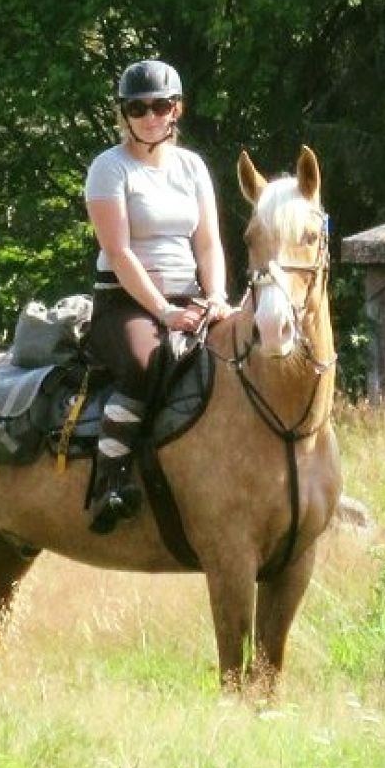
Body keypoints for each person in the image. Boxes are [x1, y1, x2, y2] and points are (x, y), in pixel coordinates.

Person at [82, 57, 227, 529]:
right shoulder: (109, 168)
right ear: (124, 114)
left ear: (176, 110)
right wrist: (164, 312)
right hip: (124, 302)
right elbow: (118, 251)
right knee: (146, 363)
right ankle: (110, 484)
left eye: (160, 106)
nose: (149, 116)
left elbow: (208, 243)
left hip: (190, 298)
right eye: (137, 108)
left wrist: (217, 296)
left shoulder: (192, 167)